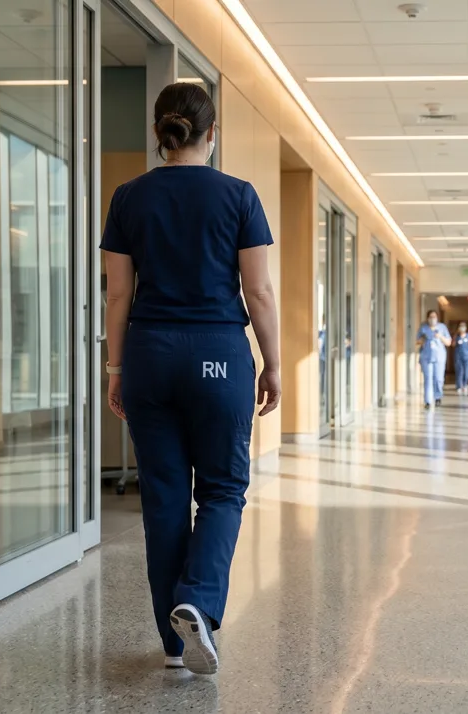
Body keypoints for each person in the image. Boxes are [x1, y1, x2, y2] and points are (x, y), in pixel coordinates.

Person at [102, 82, 281, 676]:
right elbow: (256, 289)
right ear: (213, 133)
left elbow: (119, 294)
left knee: (165, 499)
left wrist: (116, 368)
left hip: (150, 355)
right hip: (219, 356)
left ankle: (175, 647)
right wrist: (274, 363)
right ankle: (198, 602)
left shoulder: (128, 197)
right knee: (224, 490)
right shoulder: (238, 196)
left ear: (161, 134)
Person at [416, 310, 452, 409]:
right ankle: (427, 401)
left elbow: (448, 342)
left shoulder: (442, 328)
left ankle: (438, 396)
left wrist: (440, 337)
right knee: (428, 379)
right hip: (426, 356)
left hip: (439, 356)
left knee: (438, 379)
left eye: (434, 317)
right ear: (427, 318)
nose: (432, 319)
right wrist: (423, 339)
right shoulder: (423, 328)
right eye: (431, 317)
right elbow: (417, 341)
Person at [452, 321, 468, 394]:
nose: (462, 328)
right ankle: (459, 386)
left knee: (467, 372)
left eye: (463, 326)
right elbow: (452, 344)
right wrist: (456, 334)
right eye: (460, 326)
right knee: (459, 372)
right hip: (458, 356)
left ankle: (465, 385)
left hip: (467, 357)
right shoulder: (457, 336)